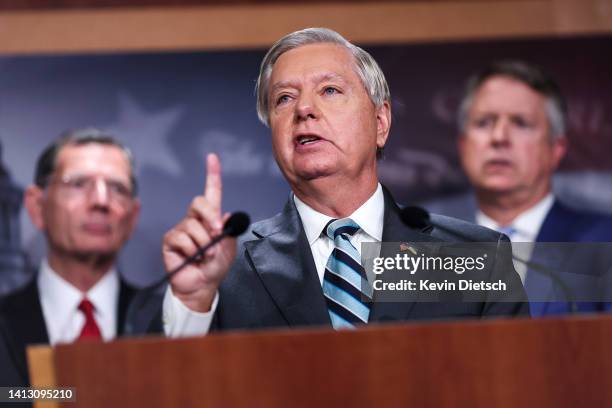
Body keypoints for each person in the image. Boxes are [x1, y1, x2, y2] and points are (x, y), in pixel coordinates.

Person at [160, 28, 528, 337]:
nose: (304, 109)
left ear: (380, 122)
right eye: (284, 98)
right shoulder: (224, 269)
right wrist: (193, 304)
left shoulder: (475, 259)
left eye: (330, 91)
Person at [456, 60, 612, 316]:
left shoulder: (604, 243)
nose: (499, 137)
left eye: (521, 123)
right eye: (484, 122)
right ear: (463, 146)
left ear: (556, 149)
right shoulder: (419, 245)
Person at [0, 128, 142, 386]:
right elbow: (7, 396)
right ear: (37, 206)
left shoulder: (166, 321)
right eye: (78, 183)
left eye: (117, 188)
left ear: (132, 217)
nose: (101, 200)